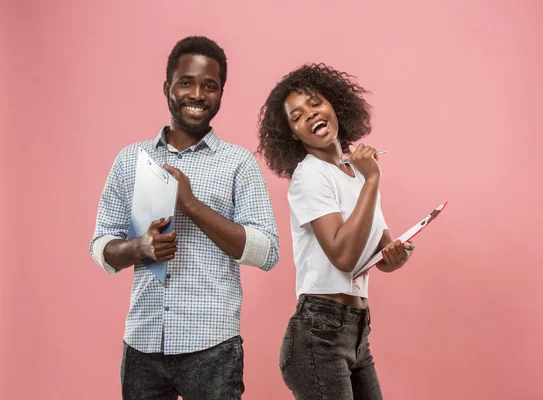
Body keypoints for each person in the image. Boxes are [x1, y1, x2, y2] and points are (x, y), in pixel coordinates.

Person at [90, 36, 279, 400]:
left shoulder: (238, 163)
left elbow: (267, 252)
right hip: (142, 344)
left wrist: (190, 204)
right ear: (168, 87)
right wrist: (139, 246)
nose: (197, 94)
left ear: (221, 93)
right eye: (186, 82)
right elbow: (101, 247)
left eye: (210, 86)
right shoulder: (130, 159)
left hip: (212, 348)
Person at [257, 63, 415, 399]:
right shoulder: (310, 176)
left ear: (334, 105)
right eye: (296, 116)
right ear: (293, 135)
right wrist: (373, 178)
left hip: (357, 332)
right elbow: (343, 256)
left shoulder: (356, 174)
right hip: (319, 334)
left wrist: (396, 255)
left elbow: (381, 255)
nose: (310, 115)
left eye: (315, 103)